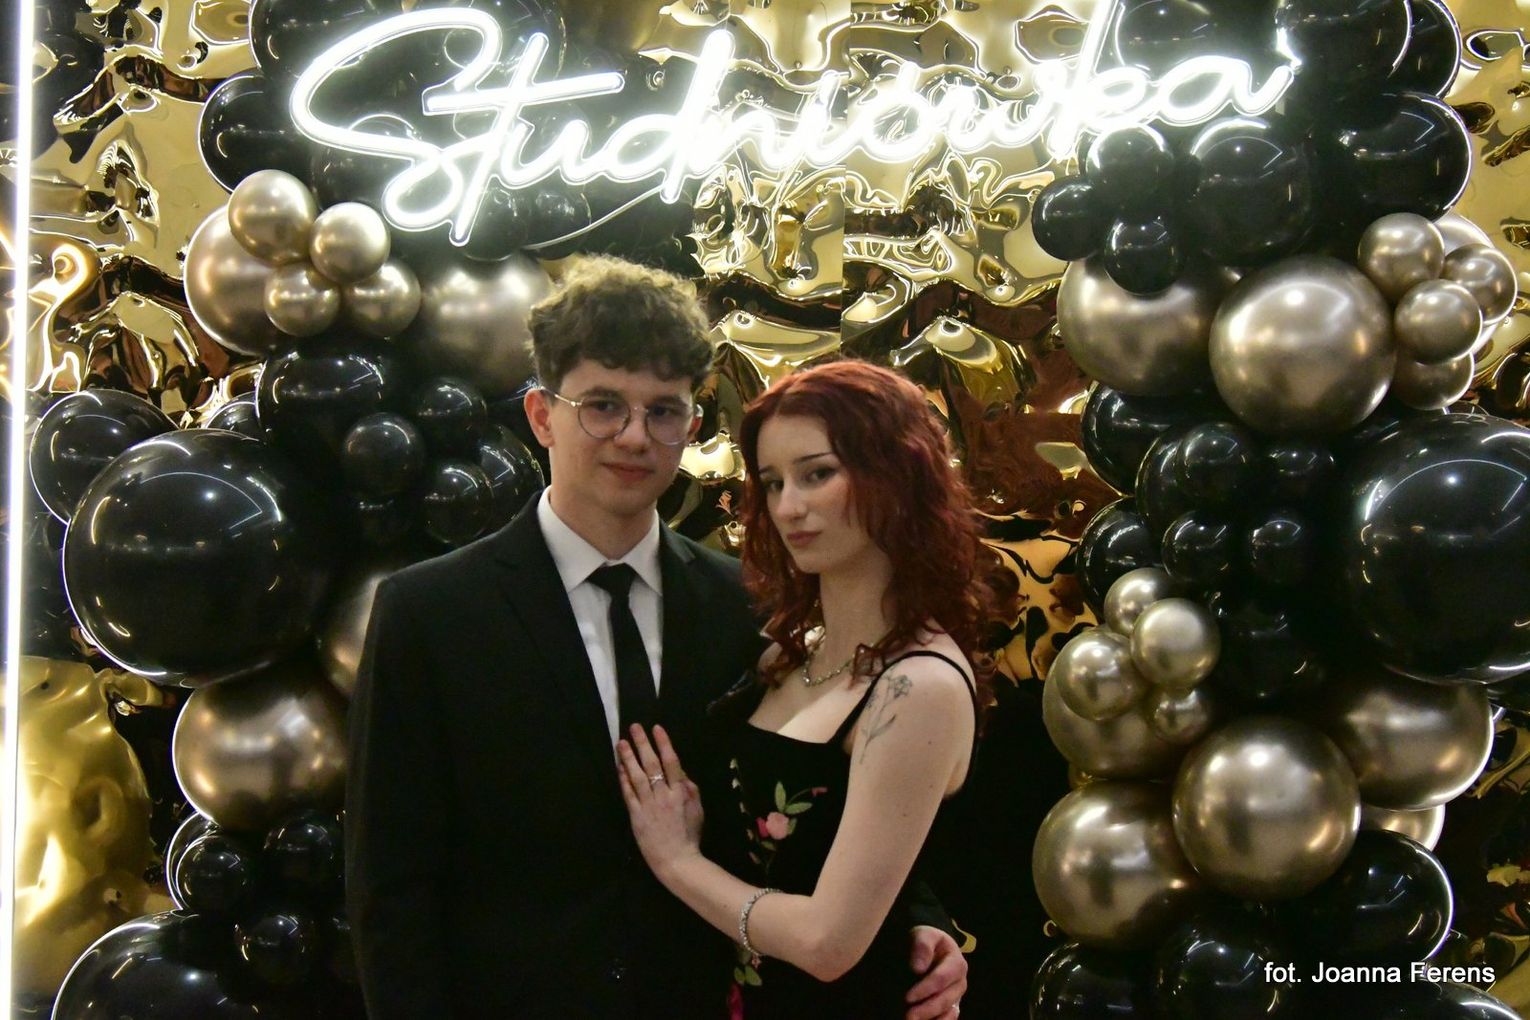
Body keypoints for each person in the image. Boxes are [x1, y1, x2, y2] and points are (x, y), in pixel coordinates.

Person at [346, 256, 969, 1019]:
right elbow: (390, 886)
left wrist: (916, 925)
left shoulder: (749, 604)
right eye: (603, 406)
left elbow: (817, 798)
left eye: (663, 411)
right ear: (541, 415)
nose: (635, 437)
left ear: (692, 427)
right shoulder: (429, 613)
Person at [616, 360, 1005, 1018]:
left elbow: (829, 943)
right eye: (773, 482)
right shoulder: (786, 650)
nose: (788, 507)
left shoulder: (920, 686)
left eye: (817, 474)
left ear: (896, 473)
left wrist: (678, 862)